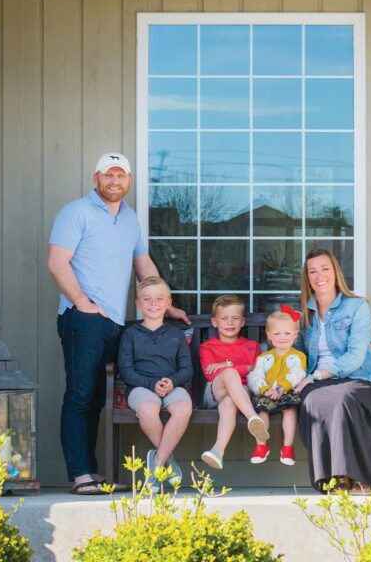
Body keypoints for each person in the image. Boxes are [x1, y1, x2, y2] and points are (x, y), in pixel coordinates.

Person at [48, 152, 190, 495]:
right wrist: (83, 303)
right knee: (81, 395)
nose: (115, 181)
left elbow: (143, 265)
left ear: (129, 181)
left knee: (99, 398)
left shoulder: (130, 220)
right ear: (96, 178)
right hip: (83, 318)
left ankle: (93, 473)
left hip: (113, 322)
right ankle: (80, 474)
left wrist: (165, 303)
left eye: (121, 176)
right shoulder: (75, 212)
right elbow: (56, 262)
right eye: (108, 175)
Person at [295, 248, 371, 494]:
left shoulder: (357, 306)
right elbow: (295, 355)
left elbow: (356, 356)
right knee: (313, 399)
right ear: (307, 278)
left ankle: (359, 476)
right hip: (316, 383)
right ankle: (335, 479)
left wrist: (318, 375)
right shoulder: (304, 314)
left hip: (359, 378)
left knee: (342, 398)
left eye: (325, 269)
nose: (319, 276)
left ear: (335, 273)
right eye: (313, 271)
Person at [117, 277, 193, 490]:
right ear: (138, 304)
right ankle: (168, 461)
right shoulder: (130, 334)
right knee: (149, 409)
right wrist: (151, 383)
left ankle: (157, 462)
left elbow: (187, 369)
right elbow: (125, 369)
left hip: (172, 386)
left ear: (168, 303)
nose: (153, 303)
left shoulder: (175, 334)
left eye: (159, 298)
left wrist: (173, 381)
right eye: (147, 299)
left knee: (183, 407)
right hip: (140, 386)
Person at [198, 295, 270, 469]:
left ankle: (218, 451)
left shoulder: (252, 346)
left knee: (230, 402)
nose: (230, 323)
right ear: (215, 322)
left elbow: (258, 370)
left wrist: (225, 365)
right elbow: (210, 373)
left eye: (235, 318)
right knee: (230, 375)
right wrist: (241, 367)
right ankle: (253, 417)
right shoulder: (207, 347)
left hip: (243, 393)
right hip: (215, 391)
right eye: (224, 319)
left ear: (242, 321)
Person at [246, 305, 307, 466]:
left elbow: (297, 374)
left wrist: (281, 388)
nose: (282, 337)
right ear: (269, 336)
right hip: (267, 393)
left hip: (286, 392)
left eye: (287, 333)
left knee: (290, 409)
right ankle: (261, 445)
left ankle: (287, 447)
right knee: (262, 410)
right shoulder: (264, 358)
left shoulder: (298, 356)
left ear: (295, 335)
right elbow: (255, 376)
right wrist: (265, 389)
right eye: (277, 333)